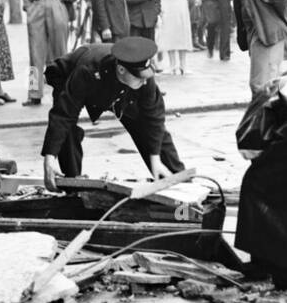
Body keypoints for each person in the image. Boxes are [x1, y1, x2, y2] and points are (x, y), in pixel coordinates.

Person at [40, 36, 183, 189]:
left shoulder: (143, 77)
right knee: (67, 130)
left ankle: (180, 181)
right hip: (70, 76)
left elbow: (154, 117)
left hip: (118, 88)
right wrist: (49, 158)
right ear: (121, 69)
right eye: (139, 78)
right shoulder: (87, 70)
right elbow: (63, 115)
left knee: (146, 126)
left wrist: (155, 158)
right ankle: (74, 186)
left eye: (146, 76)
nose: (145, 81)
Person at [21, 0, 89, 104]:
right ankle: (34, 94)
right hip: (36, 7)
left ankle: (64, 91)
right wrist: (29, 8)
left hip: (56, 5)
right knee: (35, 53)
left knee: (60, 52)